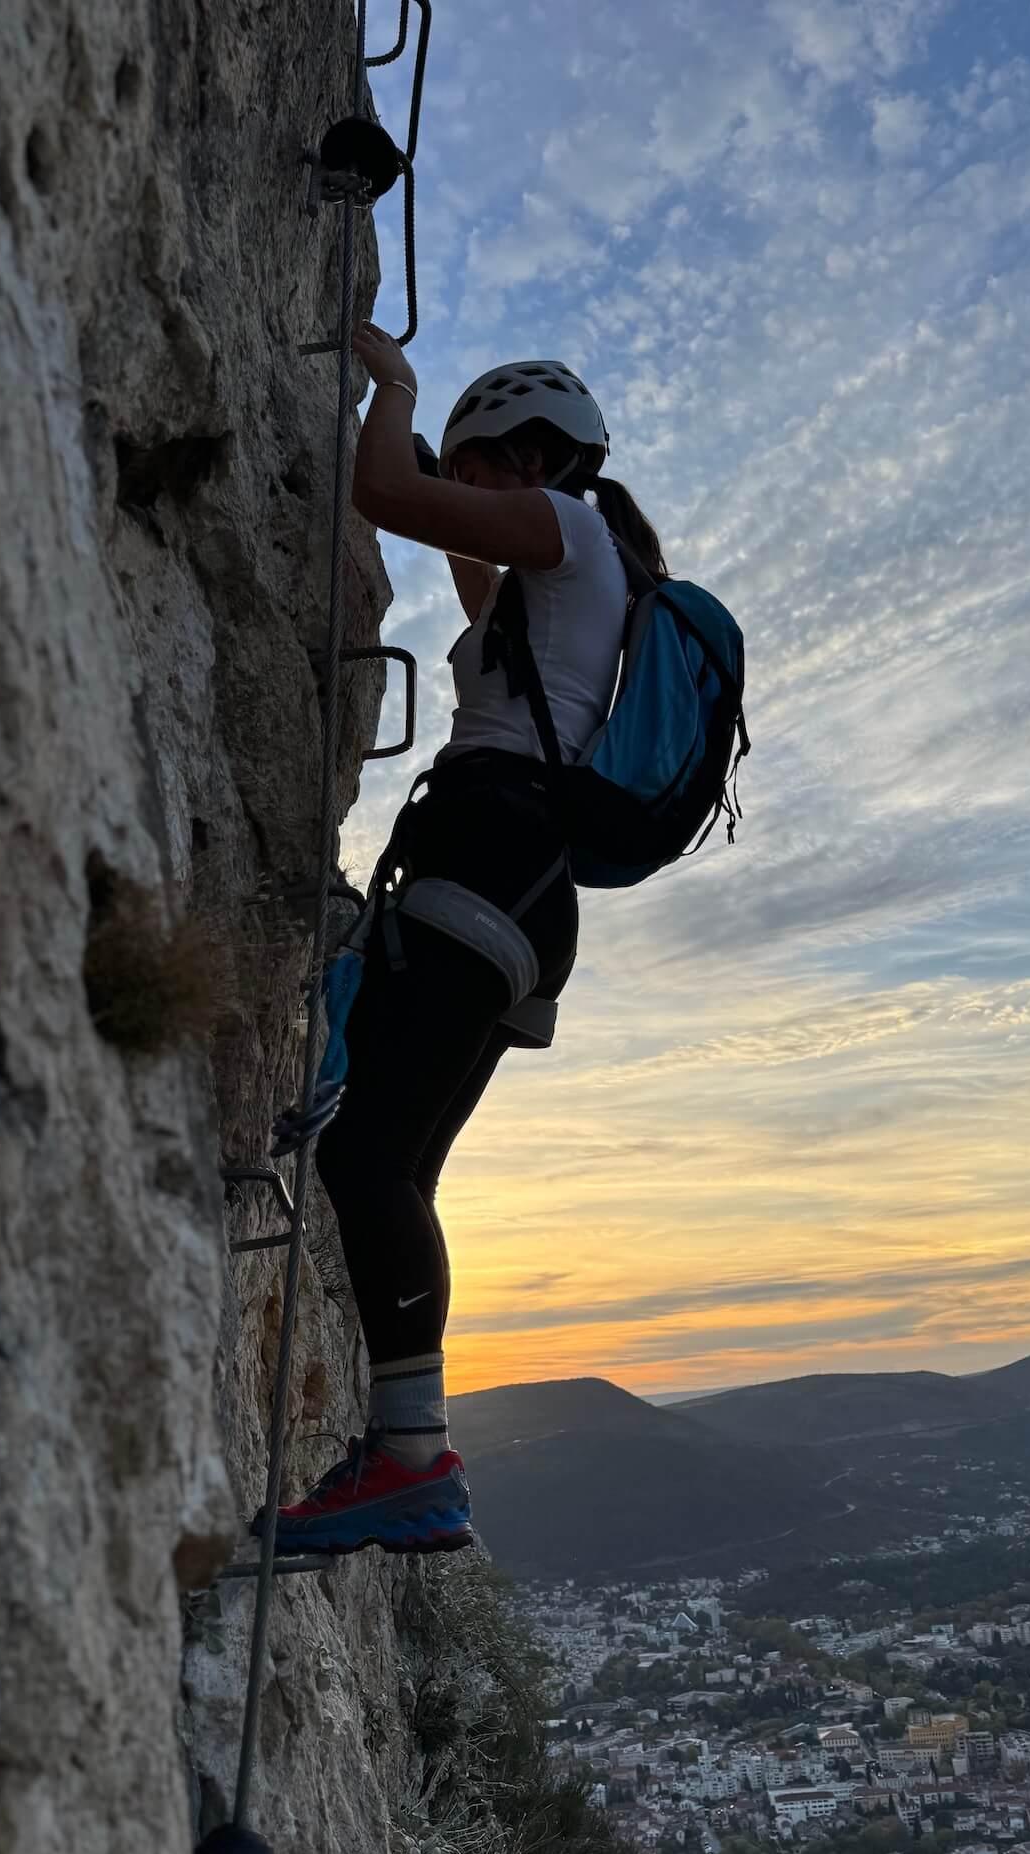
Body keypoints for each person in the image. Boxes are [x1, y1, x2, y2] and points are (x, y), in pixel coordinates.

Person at [265, 325, 670, 1556]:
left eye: (479, 466)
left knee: (368, 1159)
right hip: (518, 893)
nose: (472, 491)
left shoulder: (568, 528)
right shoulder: (558, 586)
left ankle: (410, 1464)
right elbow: (455, 547)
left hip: (489, 869)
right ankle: (408, 1452)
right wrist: (445, 482)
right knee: (396, 1167)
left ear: (531, 459)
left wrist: (390, 390)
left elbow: (387, 495)